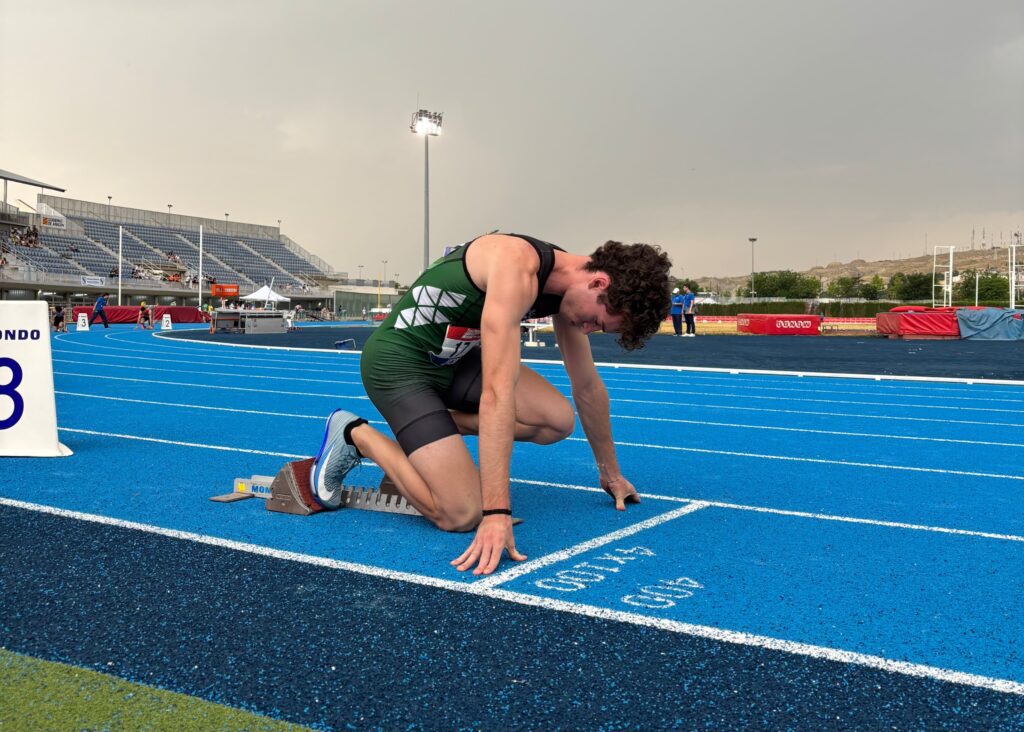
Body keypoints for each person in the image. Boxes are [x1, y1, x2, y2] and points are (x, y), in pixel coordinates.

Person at [307, 233, 671, 575]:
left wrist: (610, 473)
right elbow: (497, 394)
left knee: (557, 420)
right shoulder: (515, 266)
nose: (587, 329)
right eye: (596, 321)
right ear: (599, 283)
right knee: (461, 514)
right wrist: (496, 512)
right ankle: (355, 435)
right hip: (400, 365)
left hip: (454, 362)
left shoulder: (567, 286)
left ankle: (430, 435)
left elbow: (587, 386)